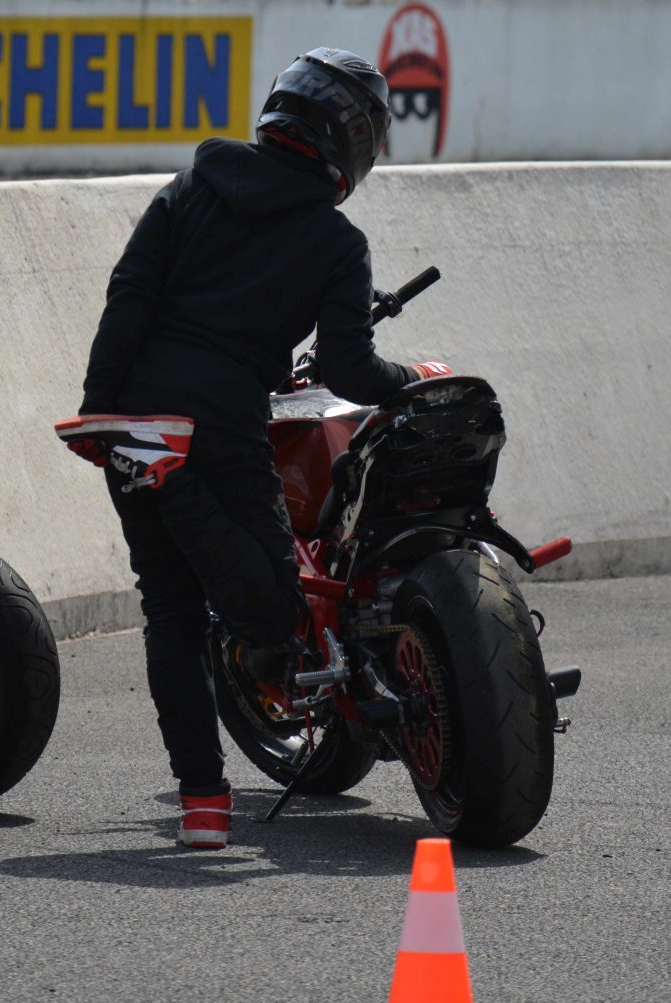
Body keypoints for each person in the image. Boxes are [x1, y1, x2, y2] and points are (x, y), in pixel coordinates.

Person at [56, 47, 451, 849]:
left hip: (137, 413)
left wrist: (104, 412)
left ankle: (204, 804)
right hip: (225, 423)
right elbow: (348, 367)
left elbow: (128, 293)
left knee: (168, 609)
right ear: (355, 144)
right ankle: (175, 488)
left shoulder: (193, 187)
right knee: (276, 609)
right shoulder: (335, 241)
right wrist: (411, 375)